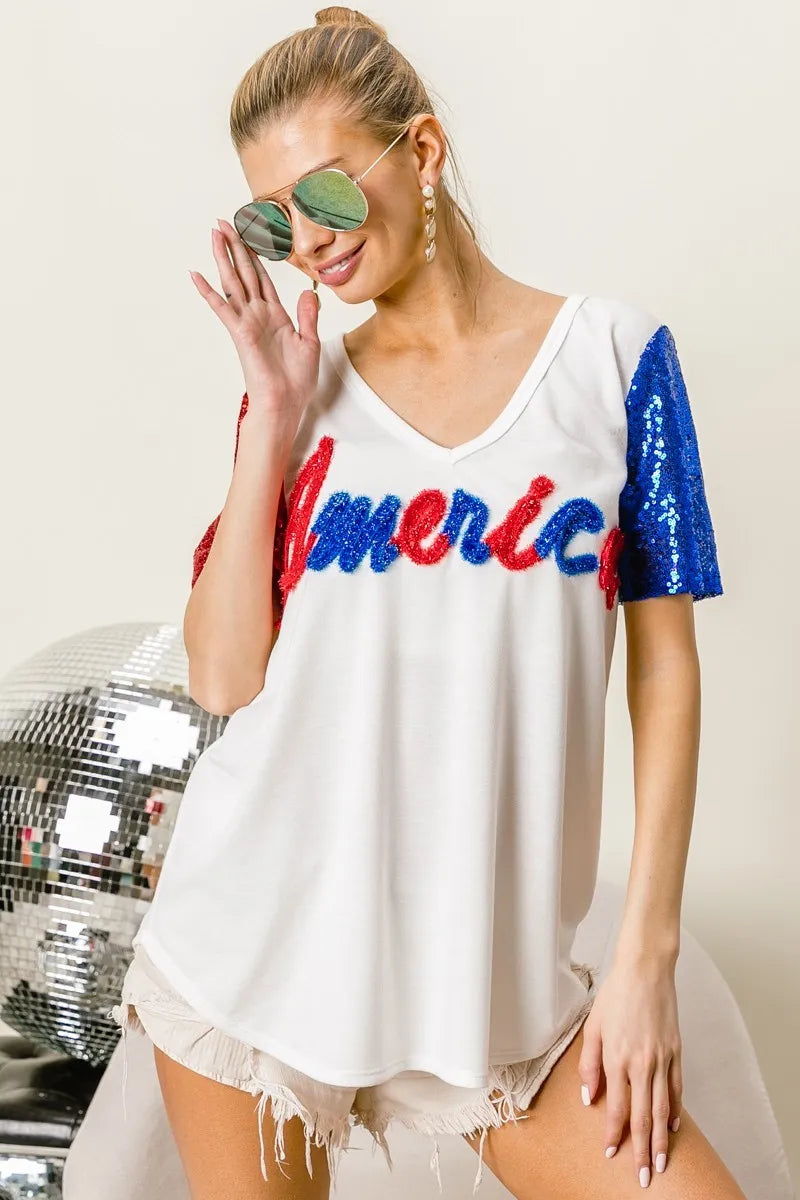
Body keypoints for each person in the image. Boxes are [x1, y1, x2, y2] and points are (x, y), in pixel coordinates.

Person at [109, 7, 745, 1199]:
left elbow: (663, 665)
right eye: (272, 220)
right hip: (256, 951)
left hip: (489, 986)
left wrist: (642, 956)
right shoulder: (304, 393)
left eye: (325, 194)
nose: (309, 243)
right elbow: (222, 677)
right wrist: (272, 420)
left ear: (423, 151)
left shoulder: (611, 360)